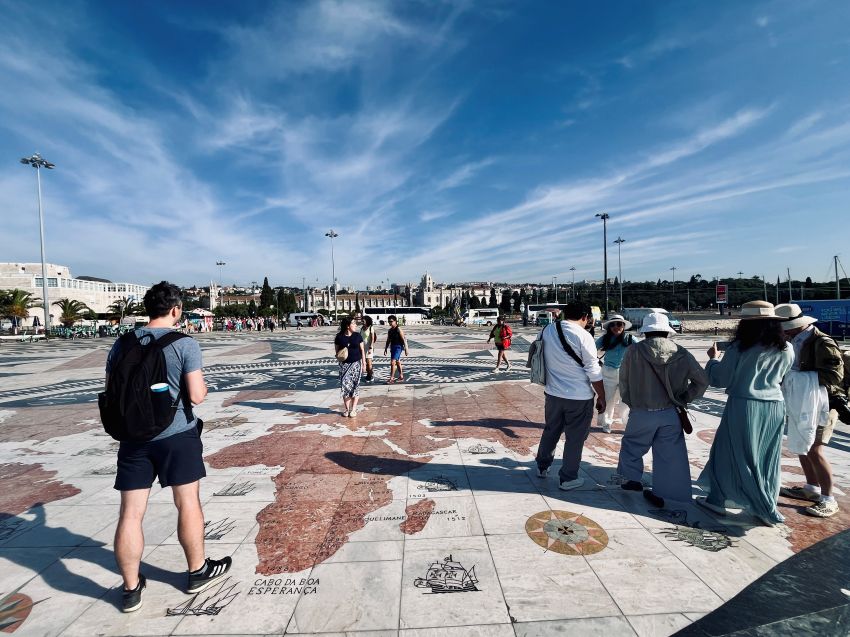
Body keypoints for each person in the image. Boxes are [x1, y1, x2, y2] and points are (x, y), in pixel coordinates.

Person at [106, 281, 232, 613]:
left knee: (130, 513)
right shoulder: (184, 344)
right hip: (176, 436)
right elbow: (196, 395)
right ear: (175, 310)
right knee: (187, 503)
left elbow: (111, 389)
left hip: (133, 439)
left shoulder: (121, 344)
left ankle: (130, 589)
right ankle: (197, 571)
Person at [696, 300, 794, 526]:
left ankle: (718, 499)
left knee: (728, 453)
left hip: (744, 405)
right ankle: (765, 504)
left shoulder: (740, 347)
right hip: (775, 406)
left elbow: (720, 378)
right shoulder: (787, 348)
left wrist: (712, 359)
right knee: (766, 457)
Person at [617, 313, 708, 507]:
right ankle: (670, 494)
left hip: (641, 411)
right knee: (670, 455)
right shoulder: (681, 353)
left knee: (632, 446)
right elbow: (702, 381)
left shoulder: (633, 351)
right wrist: (684, 398)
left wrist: (631, 402)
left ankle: (631, 480)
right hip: (670, 412)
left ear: (646, 332)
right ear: (667, 331)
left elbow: (623, 381)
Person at [775, 303, 843, 518]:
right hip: (800, 401)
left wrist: (795, 378)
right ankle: (812, 488)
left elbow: (835, 376)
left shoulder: (822, 342)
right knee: (802, 445)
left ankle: (829, 499)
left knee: (815, 449)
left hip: (822, 404)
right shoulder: (792, 339)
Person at [534, 301, 606, 491]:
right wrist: (602, 396)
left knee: (551, 430)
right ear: (585, 317)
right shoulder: (583, 335)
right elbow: (593, 369)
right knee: (575, 438)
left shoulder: (547, 330)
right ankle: (568, 478)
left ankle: (542, 467)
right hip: (579, 397)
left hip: (553, 394)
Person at [595, 314, 638, 432]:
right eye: (612, 325)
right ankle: (606, 423)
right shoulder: (605, 339)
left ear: (623, 326)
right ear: (609, 327)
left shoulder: (630, 338)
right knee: (608, 399)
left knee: (626, 401)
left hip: (626, 373)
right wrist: (596, 362)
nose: (616, 327)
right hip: (608, 372)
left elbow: (641, 351)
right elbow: (591, 349)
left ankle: (628, 424)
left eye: (619, 324)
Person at [335, 317, 366, 416]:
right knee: (345, 387)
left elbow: (362, 350)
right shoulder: (339, 337)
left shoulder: (357, 336)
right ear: (348, 326)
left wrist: (364, 363)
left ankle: (354, 409)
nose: (356, 325)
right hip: (344, 365)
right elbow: (337, 352)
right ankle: (347, 409)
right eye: (353, 323)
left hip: (356, 364)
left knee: (355, 386)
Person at [383, 314, 409, 384]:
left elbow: (403, 339)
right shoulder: (390, 330)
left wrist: (406, 349)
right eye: (389, 321)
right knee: (397, 362)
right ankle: (401, 376)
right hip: (393, 347)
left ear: (395, 321)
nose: (390, 323)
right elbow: (388, 340)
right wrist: (385, 348)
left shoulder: (398, 329)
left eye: (391, 321)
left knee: (392, 362)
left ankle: (391, 378)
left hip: (398, 347)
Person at [360, 315, 378, 382]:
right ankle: (369, 374)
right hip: (363, 348)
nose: (362, 322)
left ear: (367, 321)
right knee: (365, 362)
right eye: (362, 321)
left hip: (369, 347)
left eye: (363, 321)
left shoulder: (371, 328)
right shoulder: (362, 328)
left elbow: (372, 338)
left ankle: (370, 375)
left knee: (369, 362)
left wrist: (371, 346)